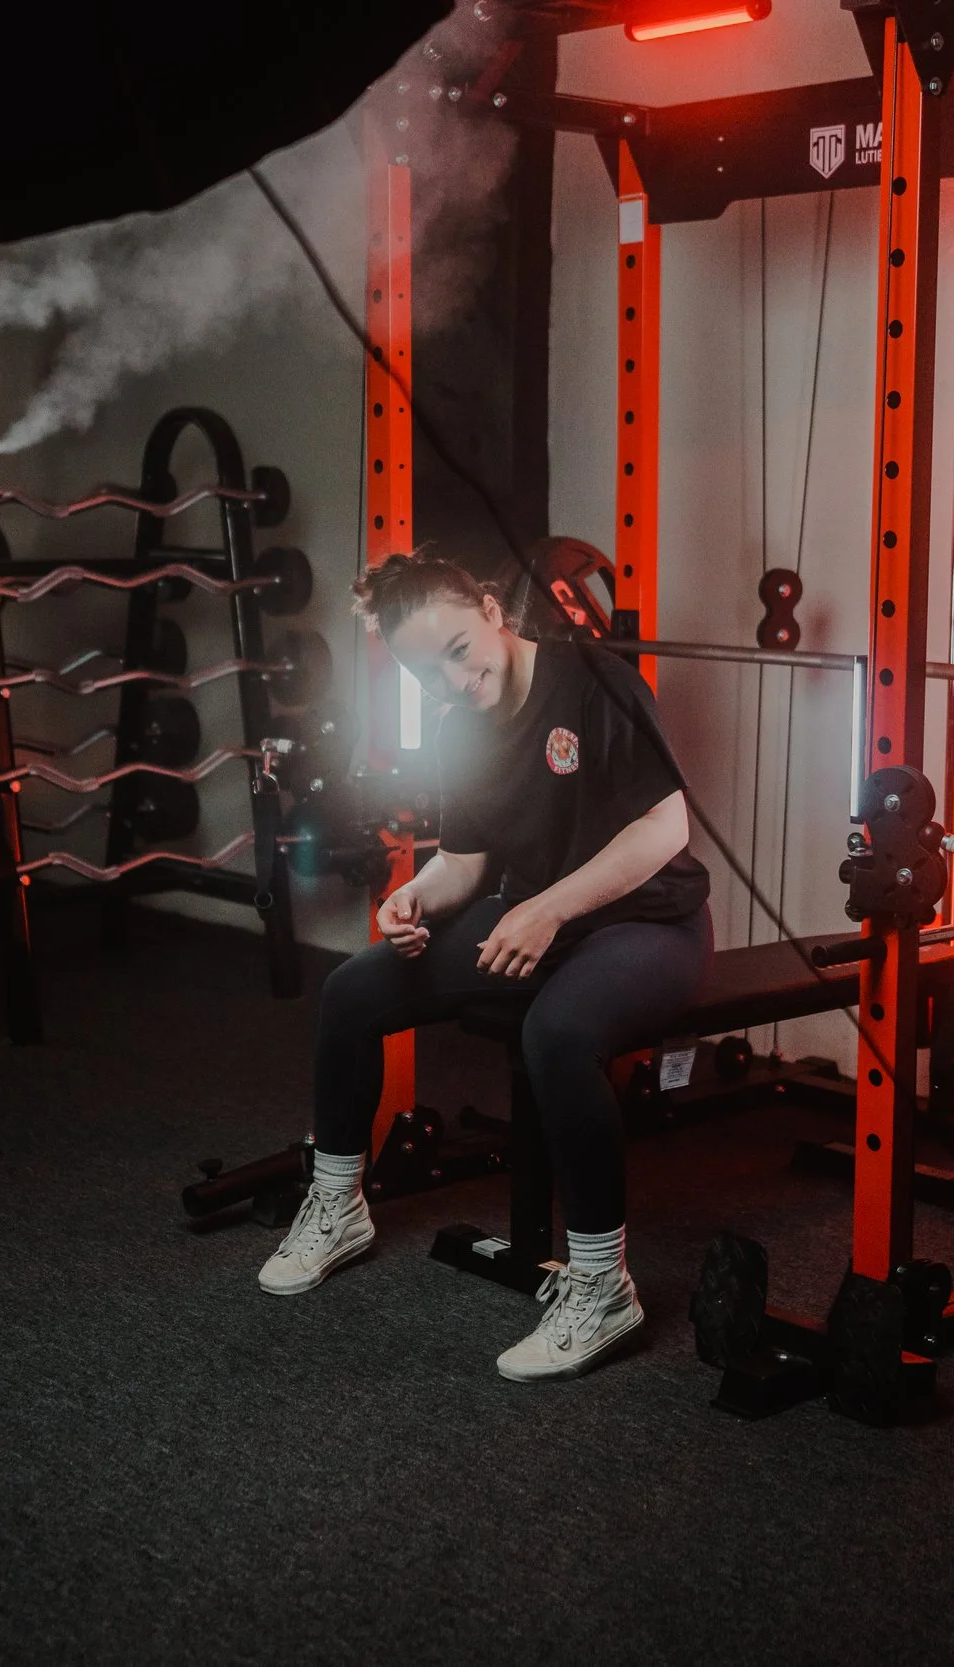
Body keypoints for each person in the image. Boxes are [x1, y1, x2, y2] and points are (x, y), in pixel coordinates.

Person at [258, 552, 713, 1383]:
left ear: (496, 611)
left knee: (559, 1030)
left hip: (649, 926)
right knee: (354, 989)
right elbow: (461, 864)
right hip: (533, 922)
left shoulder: (597, 682)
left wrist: (546, 909)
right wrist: (412, 902)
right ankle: (338, 1204)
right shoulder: (455, 727)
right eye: (426, 673)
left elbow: (664, 829)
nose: (451, 682)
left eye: (459, 652)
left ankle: (604, 1284)